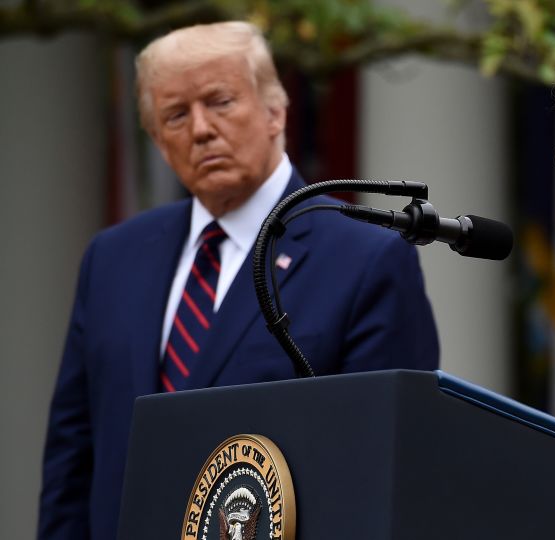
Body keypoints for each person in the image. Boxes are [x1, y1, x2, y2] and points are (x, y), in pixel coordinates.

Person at [38, 21, 439, 540]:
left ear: (275, 111)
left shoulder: (365, 259)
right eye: (176, 115)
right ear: (158, 140)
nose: (201, 129)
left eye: (220, 102)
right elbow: (72, 461)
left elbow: (389, 471)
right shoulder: (112, 259)